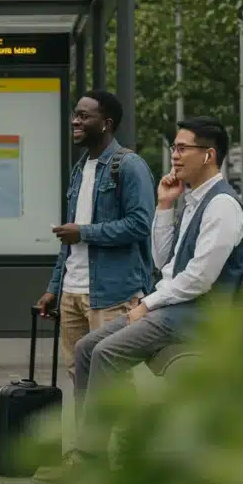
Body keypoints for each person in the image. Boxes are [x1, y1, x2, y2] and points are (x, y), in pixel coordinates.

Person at [33, 116, 243, 482]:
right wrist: (165, 206)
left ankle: (97, 455)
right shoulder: (194, 201)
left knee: (106, 353)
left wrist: (148, 304)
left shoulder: (222, 206)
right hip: (174, 310)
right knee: (87, 347)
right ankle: (95, 447)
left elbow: (199, 279)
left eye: (183, 148)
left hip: (198, 318)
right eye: (174, 148)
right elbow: (164, 260)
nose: (175, 156)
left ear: (209, 155)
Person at [36, 90, 156, 385]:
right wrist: (55, 287)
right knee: (79, 377)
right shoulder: (80, 169)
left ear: (106, 123)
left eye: (84, 116)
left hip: (111, 295)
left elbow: (140, 224)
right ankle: (88, 434)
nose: (75, 121)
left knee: (113, 380)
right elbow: (70, 239)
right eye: (75, 115)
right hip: (72, 294)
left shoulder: (129, 166)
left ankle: (129, 433)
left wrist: (83, 232)